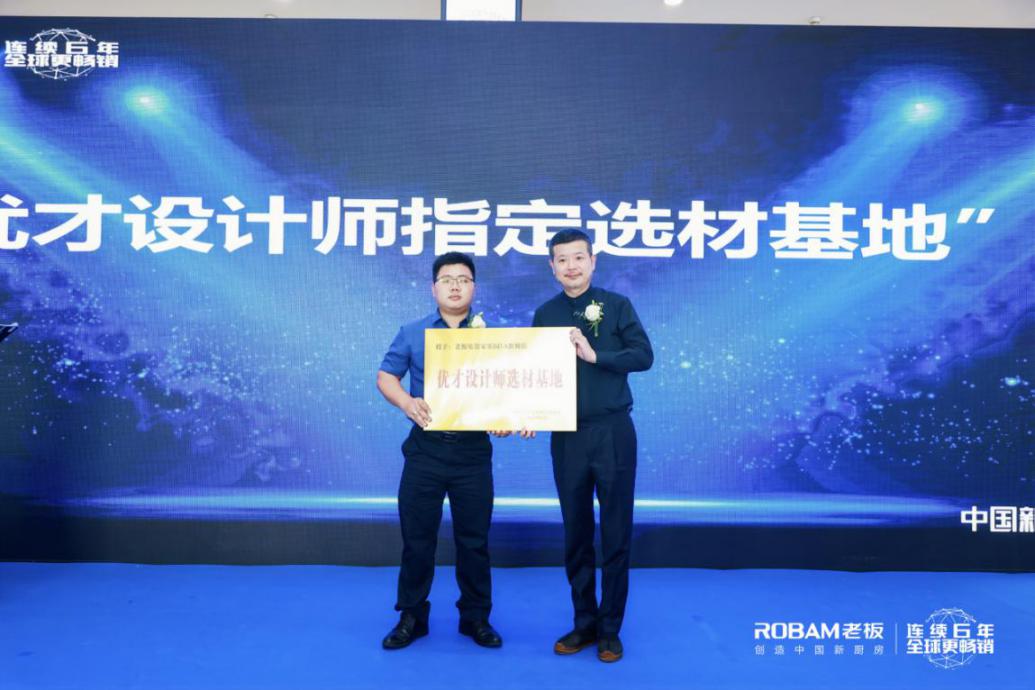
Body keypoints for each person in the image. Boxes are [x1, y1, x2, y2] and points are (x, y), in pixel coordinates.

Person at [532, 229, 653, 663]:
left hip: (613, 431)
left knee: (616, 531)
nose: (571, 266)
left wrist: (595, 354)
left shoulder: (617, 306)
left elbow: (643, 356)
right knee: (576, 532)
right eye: (562, 259)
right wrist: (526, 412)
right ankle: (584, 622)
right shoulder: (545, 314)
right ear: (552, 267)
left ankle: (610, 629)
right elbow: (535, 374)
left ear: (593, 261)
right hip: (566, 435)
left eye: (578, 257)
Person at [376, 252, 503, 650]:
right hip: (426, 451)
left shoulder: (493, 337)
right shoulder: (413, 332)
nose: (455, 286)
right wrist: (406, 402)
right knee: (417, 539)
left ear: (474, 288)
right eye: (447, 279)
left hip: (472, 453)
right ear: (434, 288)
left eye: (463, 279)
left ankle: (476, 617)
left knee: (474, 541)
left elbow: (505, 389)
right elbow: (386, 376)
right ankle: (412, 616)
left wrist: (505, 416)